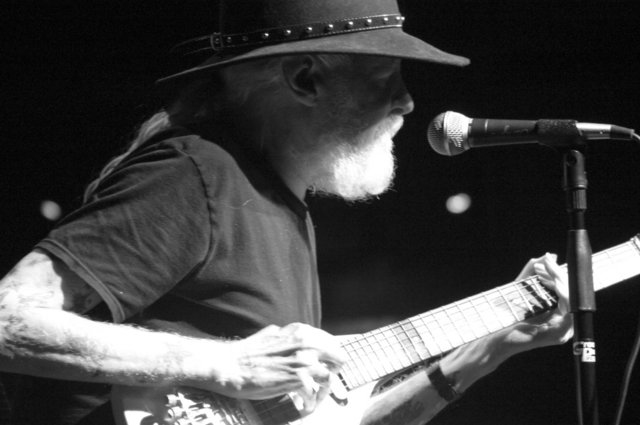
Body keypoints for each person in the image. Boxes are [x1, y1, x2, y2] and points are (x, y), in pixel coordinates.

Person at [0, 0, 573, 424]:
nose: (406, 100)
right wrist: (227, 365)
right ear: (304, 78)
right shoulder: (195, 174)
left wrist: (490, 349)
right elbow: (8, 321)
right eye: (385, 76)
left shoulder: (279, 204)